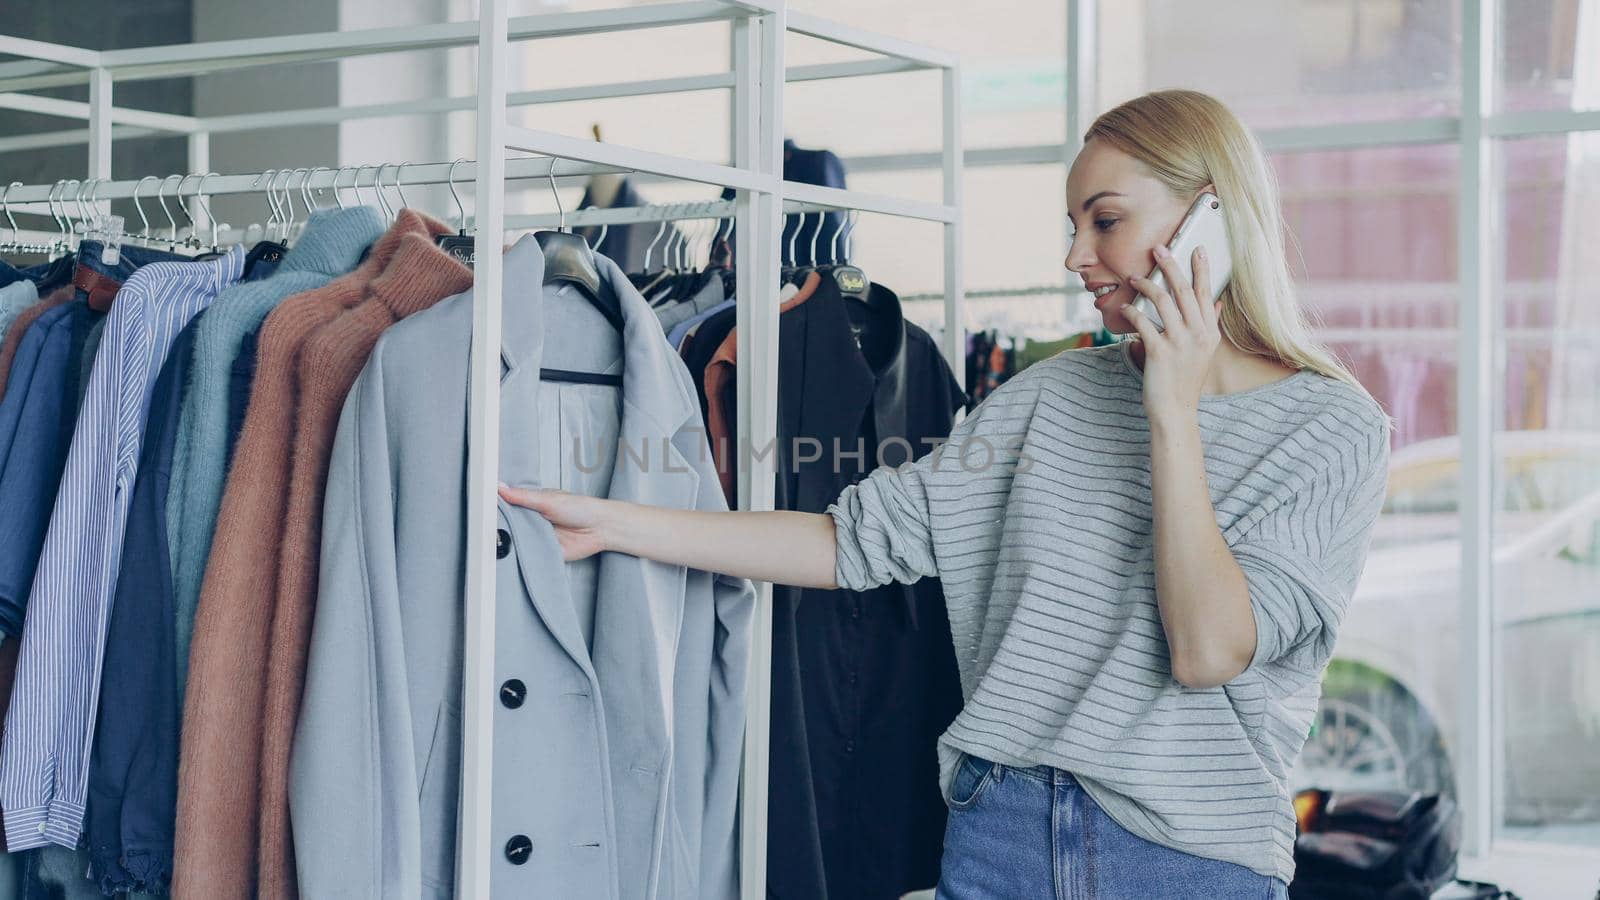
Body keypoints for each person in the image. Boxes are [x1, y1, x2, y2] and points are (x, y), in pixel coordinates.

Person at [499, 89, 1392, 899]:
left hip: (1190, 863)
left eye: (1105, 219)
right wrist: (619, 523)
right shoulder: (1051, 397)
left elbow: (1205, 650)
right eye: (1072, 222)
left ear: (1214, 222)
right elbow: (851, 542)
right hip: (999, 839)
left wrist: (1172, 413)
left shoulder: (1332, 431)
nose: (1076, 254)